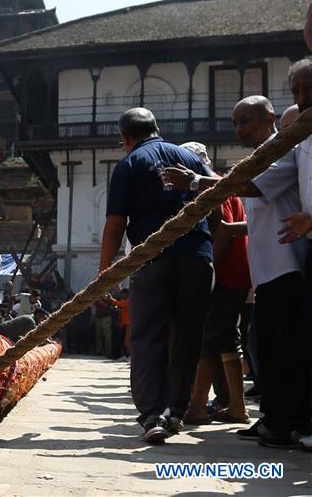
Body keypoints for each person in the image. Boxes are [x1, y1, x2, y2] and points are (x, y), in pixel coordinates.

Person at [163, 90, 310, 448]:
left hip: (285, 266)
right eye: (235, 123)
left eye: (246, 121)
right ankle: (273, 418)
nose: (239, 129)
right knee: (264, 350)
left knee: (279, 351)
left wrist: (196, 182)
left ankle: (285, 422)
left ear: (271, 119)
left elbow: (248, 188)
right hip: (264, 271)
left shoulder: (284, 151)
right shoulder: (262, 157)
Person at [99, 107, 214, 445]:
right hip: (197, 256)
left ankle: (152, 414)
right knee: (188, 335)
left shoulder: (129, 165)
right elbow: (222, 189)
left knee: (148, 335)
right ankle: (176, 410)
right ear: (156, 129)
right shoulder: (187, 157)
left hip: (153, 259)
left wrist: (105, 271)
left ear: (125, 138)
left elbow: (116, 223)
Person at [178, 142, 251, 426]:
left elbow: (223, 231)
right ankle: (236, 405)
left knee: (209, 340)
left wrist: (209, 270)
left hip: (223, 275)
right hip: (236, 274)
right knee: (225, 340)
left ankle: (197, 405)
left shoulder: (213, 188)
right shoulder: (223, 183)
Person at [93, 294, 114, 359]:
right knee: (98, 335)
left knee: (107, 335)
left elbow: (107, 306)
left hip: (106, 317)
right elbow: (94, 308)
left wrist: (100, 300)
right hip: (98, 317)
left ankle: (108, 351)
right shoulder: (96, 298)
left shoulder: (108, 297)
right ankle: (98, 350)